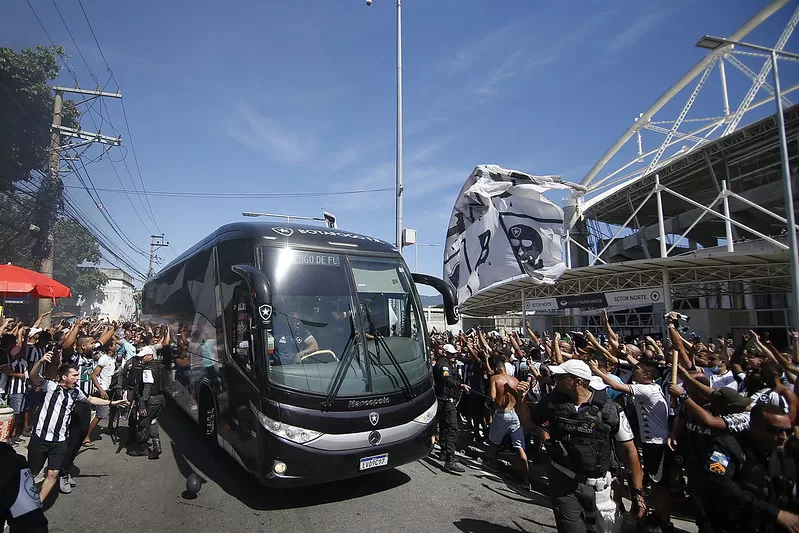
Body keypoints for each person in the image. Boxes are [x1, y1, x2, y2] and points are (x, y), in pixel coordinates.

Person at [531, 359, 646, 533]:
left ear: (577, 382)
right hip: (564, 481)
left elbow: (629, 450)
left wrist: (638, 492)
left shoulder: (610, 410)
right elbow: (532, 422)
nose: (556, 379)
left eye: (562, 377)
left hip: (600, 487)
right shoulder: (551, 404)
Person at [26, 353, 126, 502]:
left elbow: (91, 399)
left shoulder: (76, 392)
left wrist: (112, 403)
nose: (77, 378)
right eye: (74, 375)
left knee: (53, 474)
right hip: (40, 438)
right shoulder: (50, 386)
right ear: (64, 377)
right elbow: (34, 377)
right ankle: (19, 499)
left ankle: (36, 506)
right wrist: (40, 361)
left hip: (60, 441)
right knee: (31, 473)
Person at [589, 356, 673, 530]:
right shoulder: (650, 386)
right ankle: (657, 515)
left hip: (657, 444)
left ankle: (664, 520)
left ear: (647, 374)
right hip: (649, 443)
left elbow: (616, 386)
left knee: (660, 485)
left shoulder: (647, 389)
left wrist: (597, 371)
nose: (633, 371)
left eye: (637, 369)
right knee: (654, 482)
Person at [702, 403, 799, 533]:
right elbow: (718, 482)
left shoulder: (788, 452)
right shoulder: (727, 446)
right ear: (753, 427)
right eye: (774, 430)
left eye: (788, 431)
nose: (783, 437)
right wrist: (774, 513)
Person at [483, 356, 530, 489]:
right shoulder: (515, 380)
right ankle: (526, 479)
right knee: (520, 447)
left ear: (497, 369)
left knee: (493, 442)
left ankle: (492, 463)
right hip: (514, 414)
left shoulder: (495, 378)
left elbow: (492, 397)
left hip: (501, 414)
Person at [434, 343, 470, 474]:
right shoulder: (443, 364)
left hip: (443, 400)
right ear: (445, 353)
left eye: (454, 353)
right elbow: (447, 379)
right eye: (451, 353)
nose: (454, 356)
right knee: (452, 428)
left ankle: (444, 452)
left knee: (444, 426)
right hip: (446, 401)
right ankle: (449, 459)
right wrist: (460, 385)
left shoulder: (446, 363)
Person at [126, 345, 166, 459]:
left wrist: (142, 403)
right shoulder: (159, 366)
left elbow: (147, 387)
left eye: (143, 357)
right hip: (160, 399)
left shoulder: (147, 369)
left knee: (143, 424)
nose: (141, 359)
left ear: (149, 356)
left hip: (151, 401)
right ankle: (156, 447)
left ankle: (143, 449)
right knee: (153, 421)